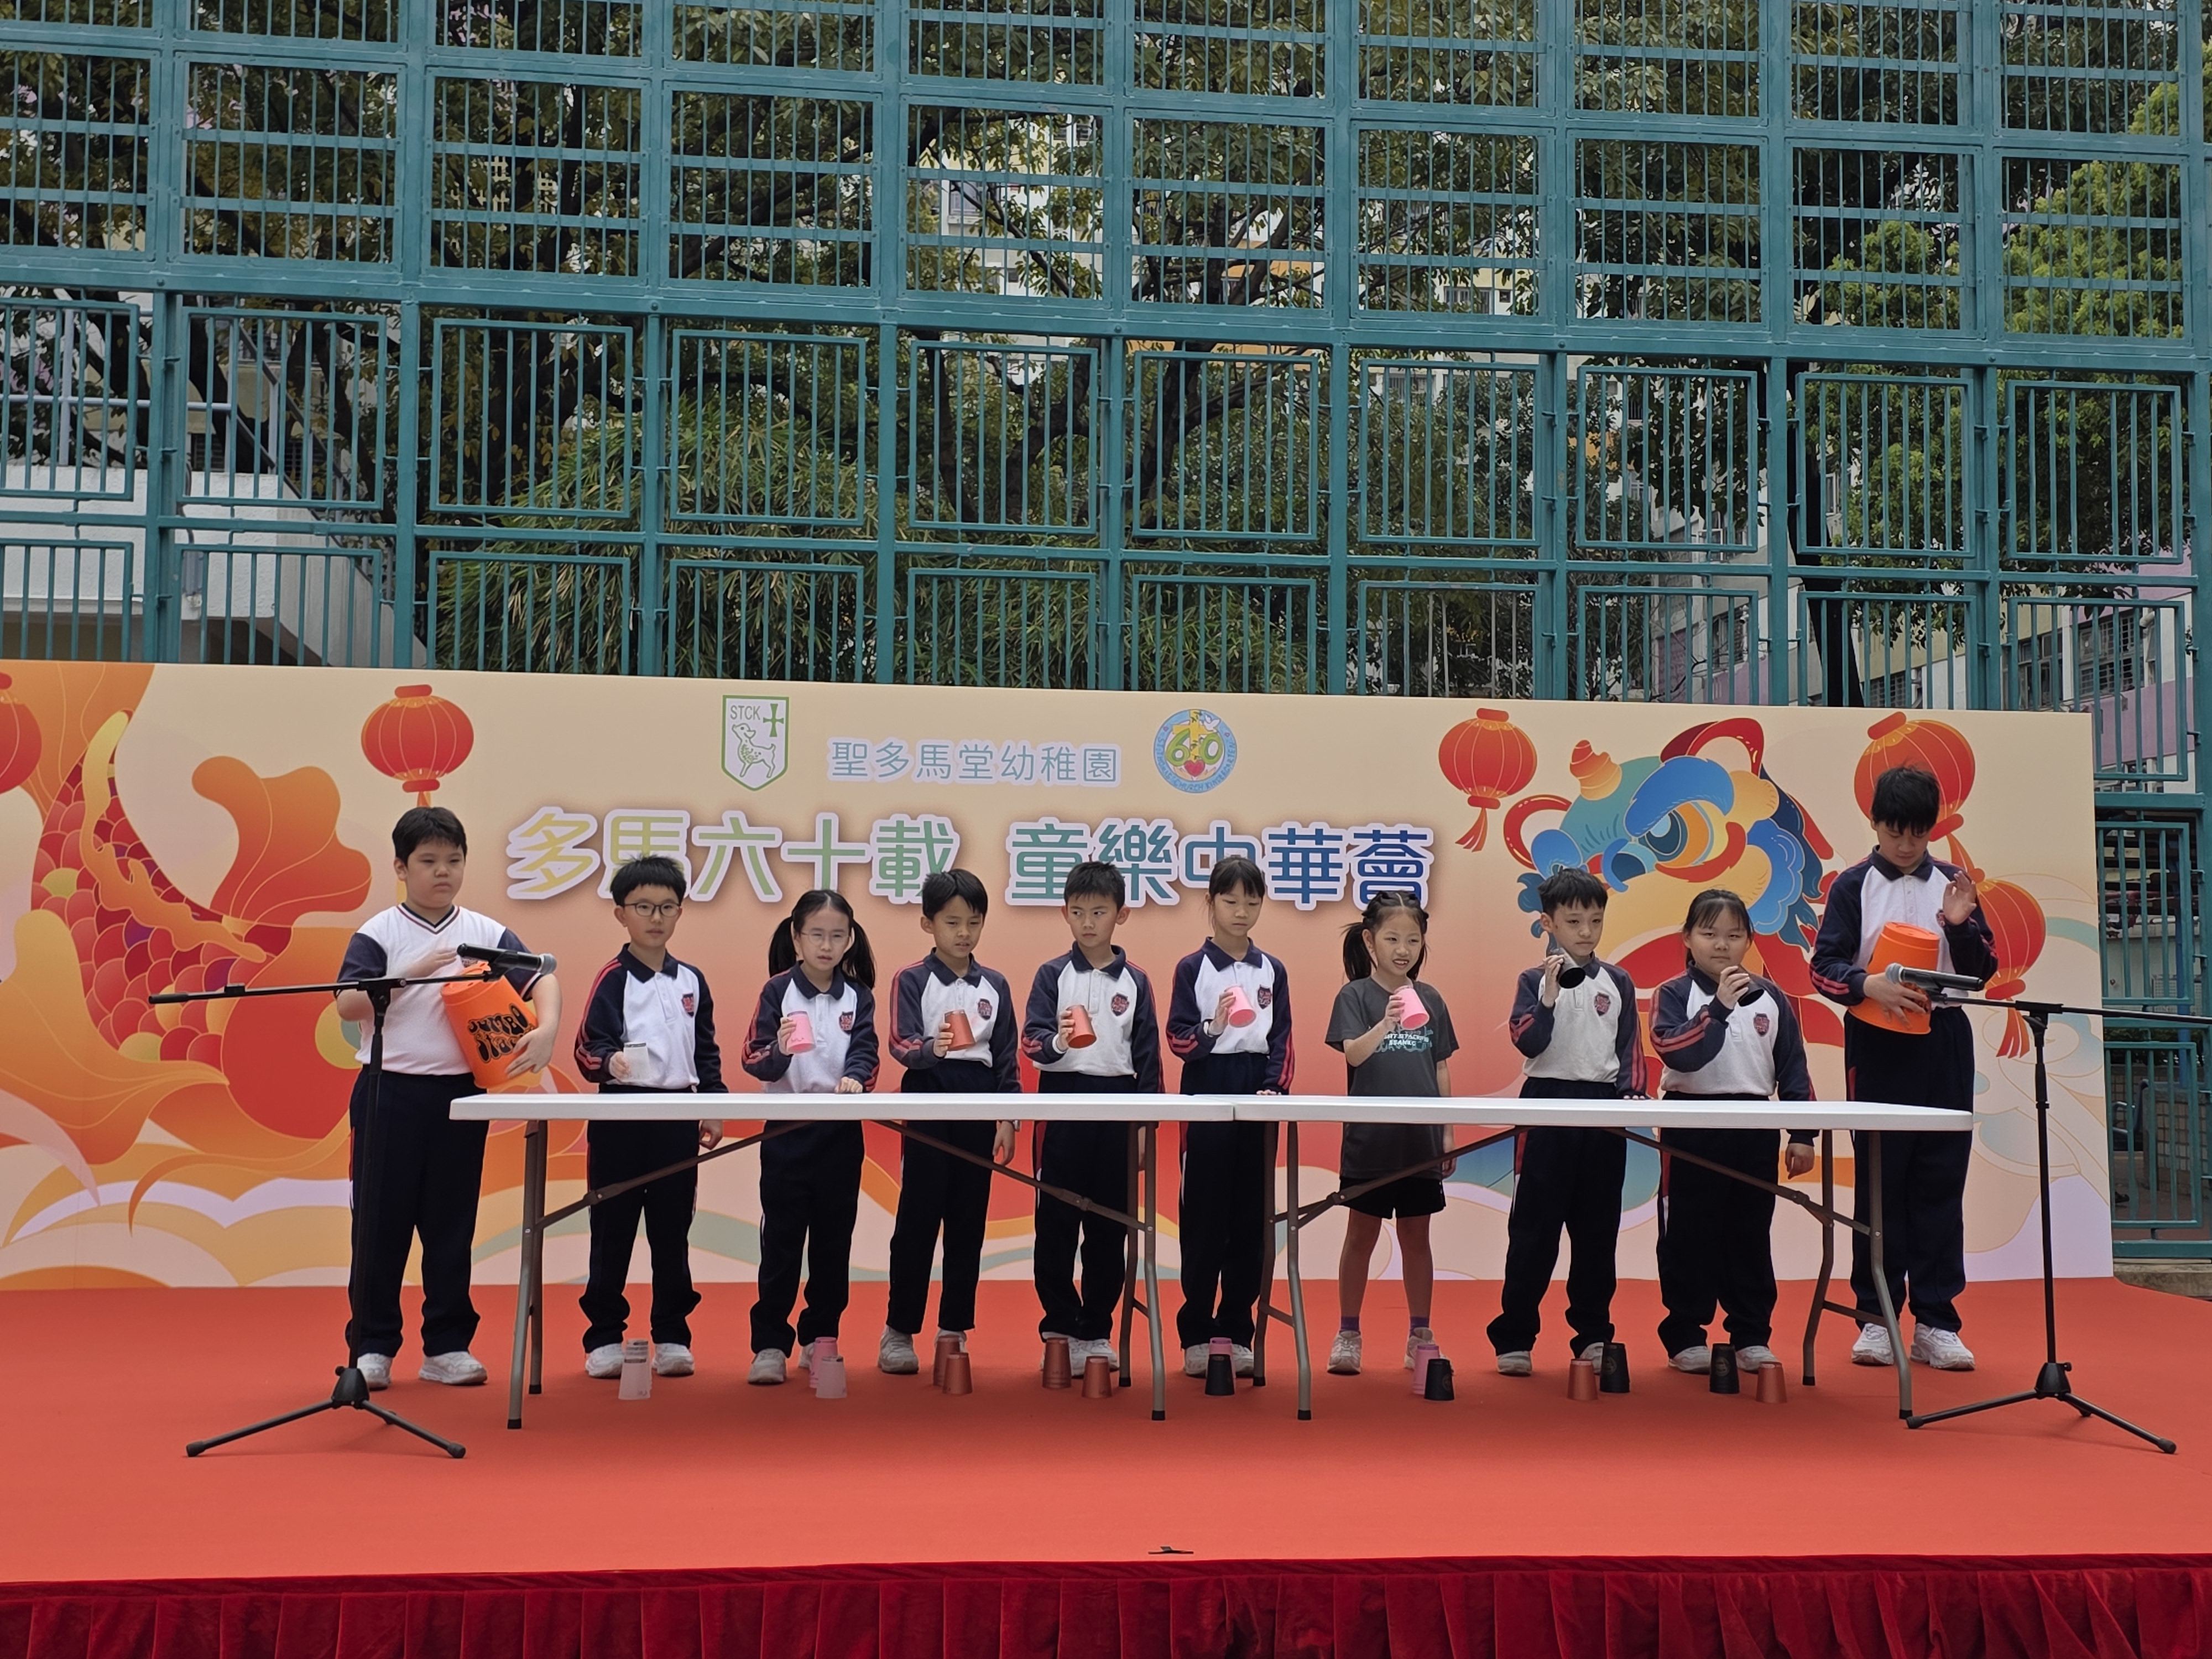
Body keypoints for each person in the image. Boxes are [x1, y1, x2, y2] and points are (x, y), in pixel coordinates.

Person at [335, 806, 561, 1391]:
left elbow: (542, 975)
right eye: (429, 861)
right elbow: (347, 1004)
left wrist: (547, 1028)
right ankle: (372, 1347)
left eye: (454, 861)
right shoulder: (379, 932)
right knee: (379, 1226)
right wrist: (408, 973)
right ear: (401, 868)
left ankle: (447, 1346)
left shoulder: (484, 933)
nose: (443, 872)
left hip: (461, 1097)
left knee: (451, 1225)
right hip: (389, 1092)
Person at [1812, 764, 1996, 1371]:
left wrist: (1959, 925)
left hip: (1944, 1040)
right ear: (1875, 823)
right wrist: (1869, 986)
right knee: (1880, 1181)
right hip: (1878, 1042)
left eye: (1918, 832)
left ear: (1931, 828)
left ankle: (1937, 1323)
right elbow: (1823, 967)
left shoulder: (1953, 883)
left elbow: (1984, 970)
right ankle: (1876, 1318)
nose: (1907, 844)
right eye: (1895, 831)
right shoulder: (1852, 886)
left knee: (1941, 1181)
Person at [1648, 888, 1816, 1377]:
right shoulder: (1674, 994)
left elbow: (1794, 1068)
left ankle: (1751, 1334)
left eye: (1734, 935)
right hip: (1692, 1123)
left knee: (1749, 1232)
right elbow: (1678, 1053)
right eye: (1709, 934)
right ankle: (1685, 1334)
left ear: (1749, 940)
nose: (1722, 945)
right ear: (1687, 938)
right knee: (1688, 1232)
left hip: (1755, 1124)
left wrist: (1802, 1134)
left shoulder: (1772, 997)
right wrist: (1719, 1007)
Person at [571, 855, 723, 1381]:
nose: (655, 918)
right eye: (643, 907)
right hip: (620, 1117)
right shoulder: (613, 979)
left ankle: (673, 1334)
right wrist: (608, 1062)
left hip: (677, 1118)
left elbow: (706, 1053)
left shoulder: (692, 980)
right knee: (611, 1230)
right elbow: (587, 1048)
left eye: (667, 907)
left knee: (672, 1232)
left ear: (680, 912)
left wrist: (713, 1107)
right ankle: (603, 1337)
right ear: (621, 914)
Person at [1487, 865, 1642, 1375]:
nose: (1586, 932)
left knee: (1597, 1233)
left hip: (1603, 1110)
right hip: (1546, 1105)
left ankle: (1593, 1335)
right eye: (1574, 922)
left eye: (1595, 921)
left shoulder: (1618, 981)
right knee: (1533, 1231)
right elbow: (1527, 1041)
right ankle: (1515, 1336)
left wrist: (1631, 1096)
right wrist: (1549, 997)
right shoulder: (1533, 981)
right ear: (1547, 923)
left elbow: (1630, 1052)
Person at [1022, 860, 1162, 1370]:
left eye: (1099, 912)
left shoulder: (1137, 981)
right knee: (1056, 1222)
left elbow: (1149, 1063)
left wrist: (1145, 1130)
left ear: (1121, 915)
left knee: (1110, 1226)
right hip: (1062, 1105)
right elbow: (1032, 1042)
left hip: (1119, 1108)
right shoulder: (1051, 975)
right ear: (1065, 913)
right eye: (1078, 912)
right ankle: (1060, 1323)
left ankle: (1097, 1327)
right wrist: (1059, 1042)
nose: (1088, 922)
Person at [881, 869, 1019, 1376]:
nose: (964, 933)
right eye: (952, 922)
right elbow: (899, 1043)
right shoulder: (912, 979)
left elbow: (1006, 1058)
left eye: (974, 922)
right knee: (917, 1220)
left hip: (978, 1102)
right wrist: (930, 1050)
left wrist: (1009, 1117)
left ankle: (954, 1328)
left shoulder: (995, 985)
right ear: (928, 924)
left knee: (968, 1220)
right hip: (929, 1096)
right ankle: (899, 1330)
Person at [739, 889, 878, 1385]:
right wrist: (779, 1051)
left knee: (832, 1245)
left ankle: (821, 1337)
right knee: (781, 1243)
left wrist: (856, 1077)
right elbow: (753, 1058)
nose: (826, 945)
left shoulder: (859, 996)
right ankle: (769, 1344)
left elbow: (867, 1053)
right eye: (816, 935)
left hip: (840, 1134)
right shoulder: (778, 990)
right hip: (787, 1133)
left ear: (850, 940)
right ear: (797, 939)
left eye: (837, 936)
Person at [1166, 854, 1292, 1378]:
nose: (1241, 912)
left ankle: (1238, 1329)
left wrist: (1273, 1088)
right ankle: (1197, 1331)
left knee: (1251, 1220)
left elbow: (1282, 1040)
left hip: (1259, 1093)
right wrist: (1212, 1030)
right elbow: (1177, 1038)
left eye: (1252, 902)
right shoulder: (1192, 969)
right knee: (1203, 1219)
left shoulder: (1273, 970)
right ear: (1211, 903)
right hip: (1207, 1089)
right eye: (1230, 900)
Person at [1325, 891, 1458, 1378]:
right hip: (1371, 1142)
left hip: (1419, 1143)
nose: (1403, 950)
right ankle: (1348, 1334)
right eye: (1392, 939)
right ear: (1370, 941)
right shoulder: (1355, 996)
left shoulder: (1432, 999)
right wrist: (1386, 1022)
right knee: (1360, 1234)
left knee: (1417, 1237)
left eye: (1413, 941)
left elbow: (1440, 1067)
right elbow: (1354, 1055)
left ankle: (1420, 1333)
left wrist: (1446, 1133)